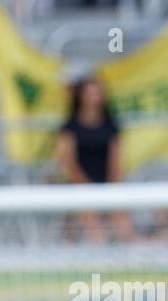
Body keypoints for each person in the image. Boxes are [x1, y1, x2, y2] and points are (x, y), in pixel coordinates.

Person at [55, 76, 133, 243]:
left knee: (122, 222)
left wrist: (111, 188)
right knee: (92, 222)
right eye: (90, 93)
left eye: (97, 93)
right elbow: (68, 163)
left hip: (107, 185)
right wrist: (85, 187)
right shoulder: (70, 127)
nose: (94, 97)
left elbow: (116, 161)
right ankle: (98, 261)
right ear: (81, 96)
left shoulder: (110, 126)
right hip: (79, 186)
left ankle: (128, 258)